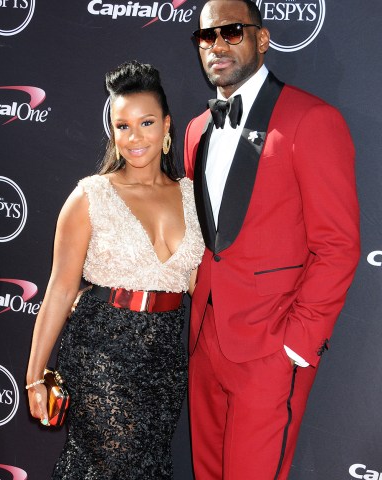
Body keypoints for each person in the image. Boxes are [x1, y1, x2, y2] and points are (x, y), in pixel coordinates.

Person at [184, 1, 360, 478]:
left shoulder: (312, 120)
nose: (218, 45)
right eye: (206, 36)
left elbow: (338, 246)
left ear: (262, 39)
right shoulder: (196, 130)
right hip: (205, 340)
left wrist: (296, 344)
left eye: (232, 31)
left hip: (270, 346)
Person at [26, 60, 204, 479]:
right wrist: (35, 377)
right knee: (109, 464)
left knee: (148, 467)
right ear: (112, 132)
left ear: (166, 126)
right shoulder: (91, 196)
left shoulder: (195, 197)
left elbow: (203, 285)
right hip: (99, 352)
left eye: (145, 122)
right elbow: (59, 290)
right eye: (122, 126)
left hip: (164, 360)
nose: (134, 137)